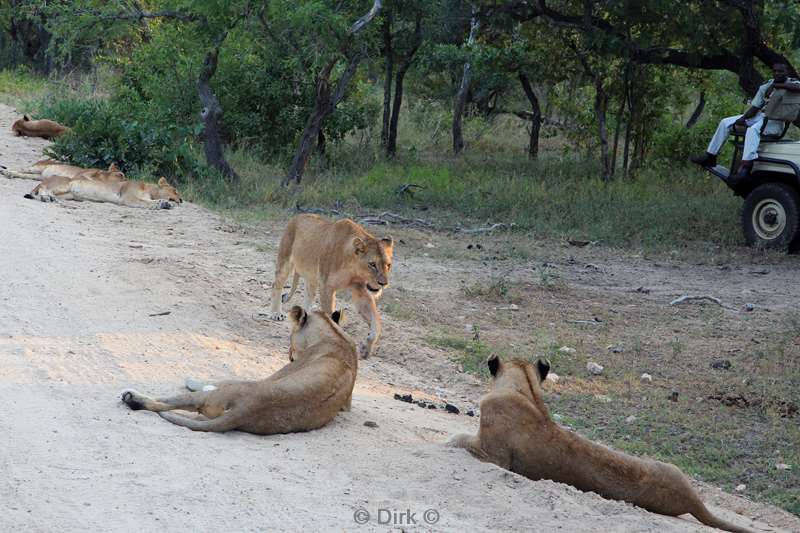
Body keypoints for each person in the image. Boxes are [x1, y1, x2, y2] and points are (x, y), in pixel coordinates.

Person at [691, 63, 800, 183]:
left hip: (775, 122)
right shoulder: (766, 85)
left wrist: (777, 85)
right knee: (725, 122)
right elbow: (755, 107)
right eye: (775, 71)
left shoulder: (793, 83)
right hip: (761, 117)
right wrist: (743, 118)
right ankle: (710, 156)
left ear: (787, 72)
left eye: (781, 71)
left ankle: (745, 169)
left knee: (752, 130)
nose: (777, 74)